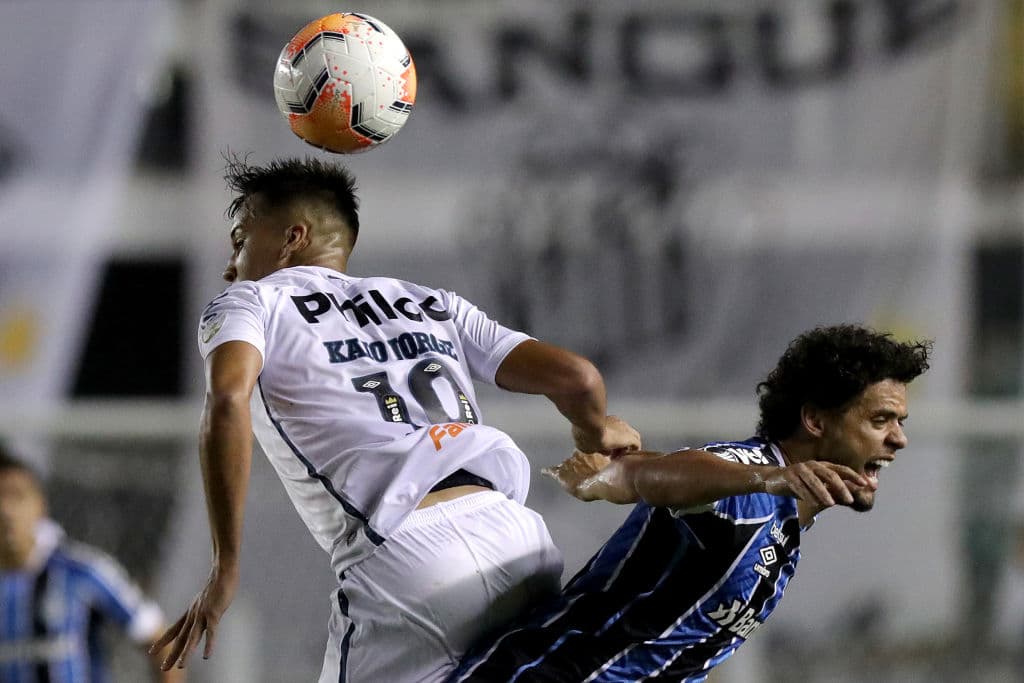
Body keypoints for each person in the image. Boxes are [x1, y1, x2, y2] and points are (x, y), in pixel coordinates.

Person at [153, 156, 641, 682]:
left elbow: (227, 401)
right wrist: (594, 430)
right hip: (517, 541)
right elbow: (579, 379)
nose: (231, 262)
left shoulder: (251, 301)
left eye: (241, 239)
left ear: (292, 237)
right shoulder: (431, 302)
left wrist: (225, 566)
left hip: (407, 557)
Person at [452, 323, 932, 682]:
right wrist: (767, 478)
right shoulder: (746, 480)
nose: (899, 439)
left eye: (901, 422)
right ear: (815, 420)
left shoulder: (785, 526)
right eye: (881, 420)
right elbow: (642, 476)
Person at [0, 448, 183, 683]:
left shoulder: (83, 572)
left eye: (16, 496)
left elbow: (160, 639)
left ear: (40, 506)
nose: (6, 511)